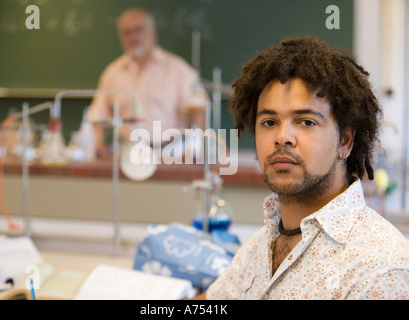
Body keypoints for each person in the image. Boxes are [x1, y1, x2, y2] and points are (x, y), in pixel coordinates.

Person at [199, 36, 409, 299]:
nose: (282, 136)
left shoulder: (379, 270)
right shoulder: (261, 244)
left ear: (345, 141)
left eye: (306, 122)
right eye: (269, 122)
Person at [86, 8, 205, 155]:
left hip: (170, 153)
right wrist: (98, 145)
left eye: (138, 30)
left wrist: (196, 148)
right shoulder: (112, 73)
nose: (132, 37)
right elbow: (98, 115)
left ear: (153, 32)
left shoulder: (178, 70)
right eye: (126, 32)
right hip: (127, 153)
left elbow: (198, 111)